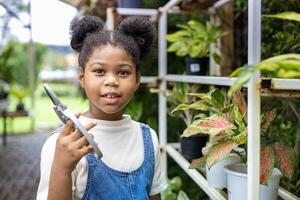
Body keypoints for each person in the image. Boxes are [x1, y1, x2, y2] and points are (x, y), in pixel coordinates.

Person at [37, 15, 166, 200]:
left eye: (123, 72)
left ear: (137, 79)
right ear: (82, 77)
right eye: (99, 71)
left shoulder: (148, 138)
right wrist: (62, 168)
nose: (112, 81)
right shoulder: (62, 144)